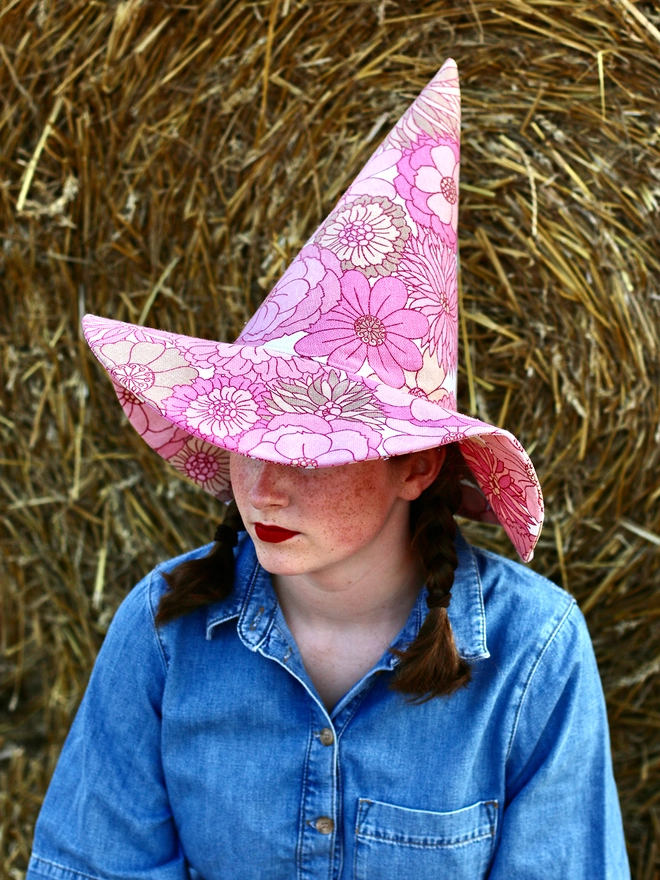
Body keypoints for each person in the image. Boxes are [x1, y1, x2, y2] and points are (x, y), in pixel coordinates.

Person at [27, 59, 630, 879]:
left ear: (416, 466)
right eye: (247, 438)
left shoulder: (535, 653)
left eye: (311, 453)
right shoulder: (163, 633)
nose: (263, 487)